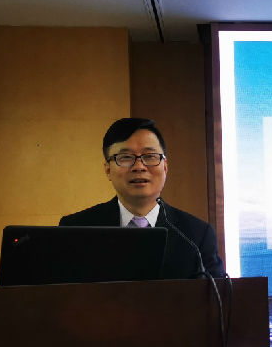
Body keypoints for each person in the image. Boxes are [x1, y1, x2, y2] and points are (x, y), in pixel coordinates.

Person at [59, 117, 226, 278]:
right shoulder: (74, 230)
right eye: (125, 157)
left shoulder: (197, 236)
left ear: (165, 167)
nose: (139, 167)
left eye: (149, 156)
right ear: (108, 170)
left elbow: (218, 295)